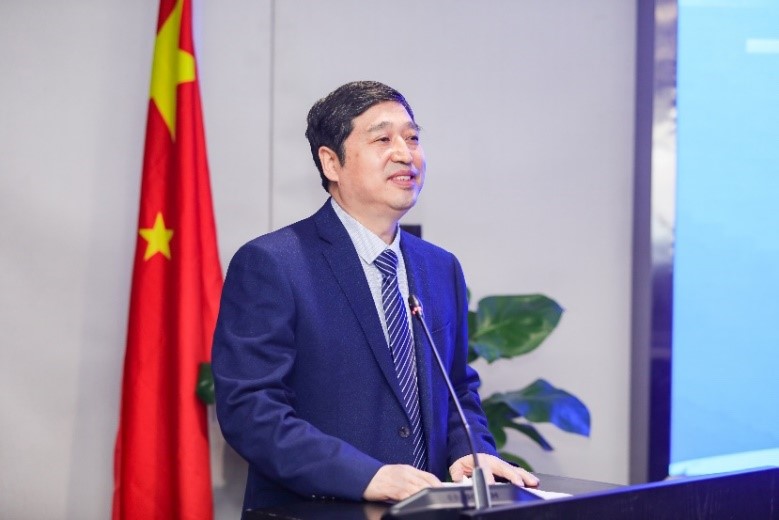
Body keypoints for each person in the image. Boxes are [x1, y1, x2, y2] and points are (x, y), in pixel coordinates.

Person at [212, 80, 538, 511]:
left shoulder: (439, 267)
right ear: (331, 162)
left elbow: (457, 387)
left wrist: (470, 451)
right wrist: (366, 476)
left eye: (412, 138)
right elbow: (250, 410)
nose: (405, 153)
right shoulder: (274, 263)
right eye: (383, 139)